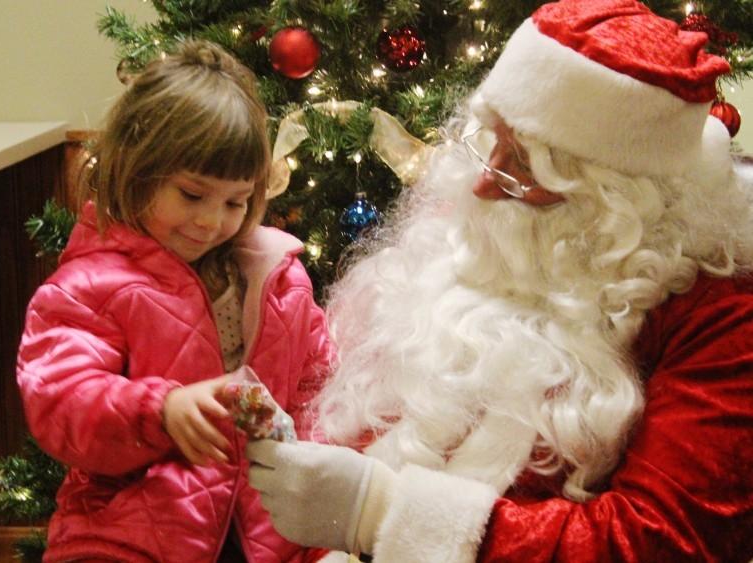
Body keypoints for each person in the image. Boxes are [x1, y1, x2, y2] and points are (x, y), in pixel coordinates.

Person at [245, 1, 753, 561]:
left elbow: (661, 537)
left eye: (527, 168)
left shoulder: (721, 316)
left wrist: (381, 513)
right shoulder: (479, 227)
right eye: (494, 142)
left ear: (620, 202)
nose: (483, 186)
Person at [17, 40, 336, 563]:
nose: (212, 221)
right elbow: (59, 401)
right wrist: (159, 409)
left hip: (274, 535)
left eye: (235, 201)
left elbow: (321, 388)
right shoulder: (91, 284)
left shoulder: (279, 279)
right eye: (192, 195)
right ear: (139, 170)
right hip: (131, 536)